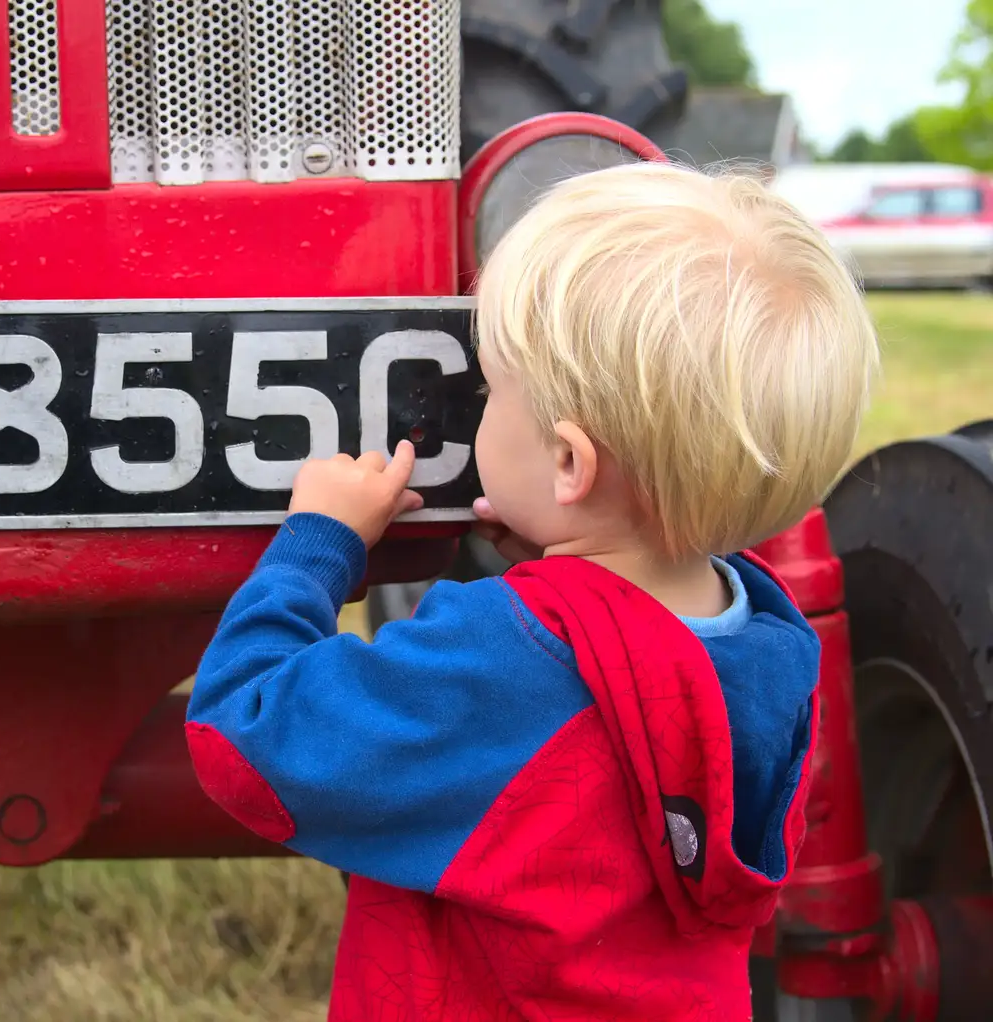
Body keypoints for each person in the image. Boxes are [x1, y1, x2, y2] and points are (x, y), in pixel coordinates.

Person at [185, 160, 879, 1020]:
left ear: (568, 464)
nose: (478, 410)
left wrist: (318, 546)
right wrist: (558, 567)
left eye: (491, 389)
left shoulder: (503, 656)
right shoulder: (772, 649)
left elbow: (244, 741)